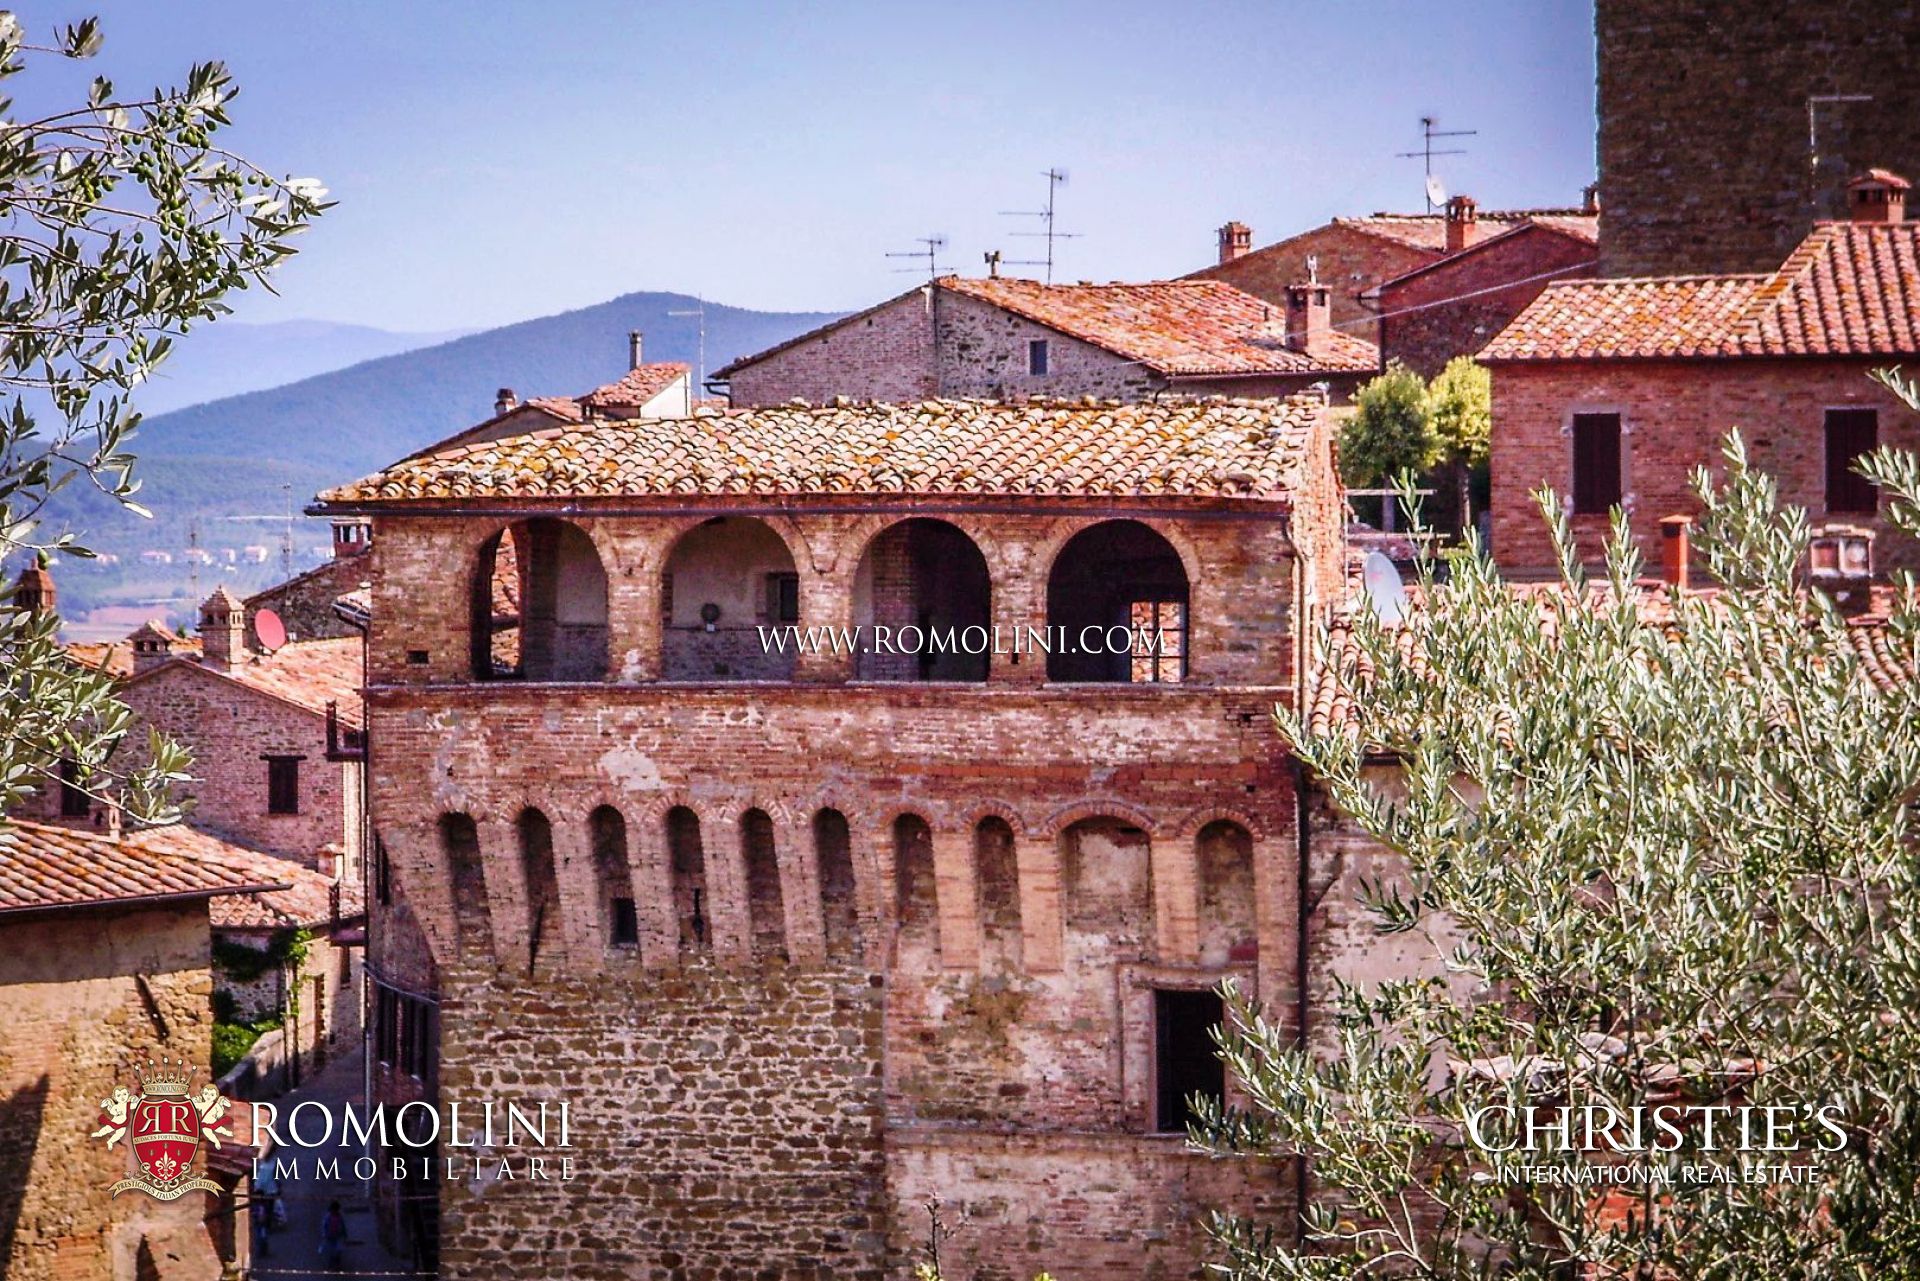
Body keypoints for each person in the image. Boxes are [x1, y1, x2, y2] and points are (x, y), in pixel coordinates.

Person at [319, 1199, 348, 1272]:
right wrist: (324, 1234)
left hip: (337, 1236)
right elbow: (324, 1226)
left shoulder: (339, 1217)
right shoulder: (328, 1217)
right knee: (331, 1252)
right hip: (330, 1236)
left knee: (338, 1251)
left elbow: (342, 1225)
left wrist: (344, 1234)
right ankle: (331, 1265)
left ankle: (336, 1264)